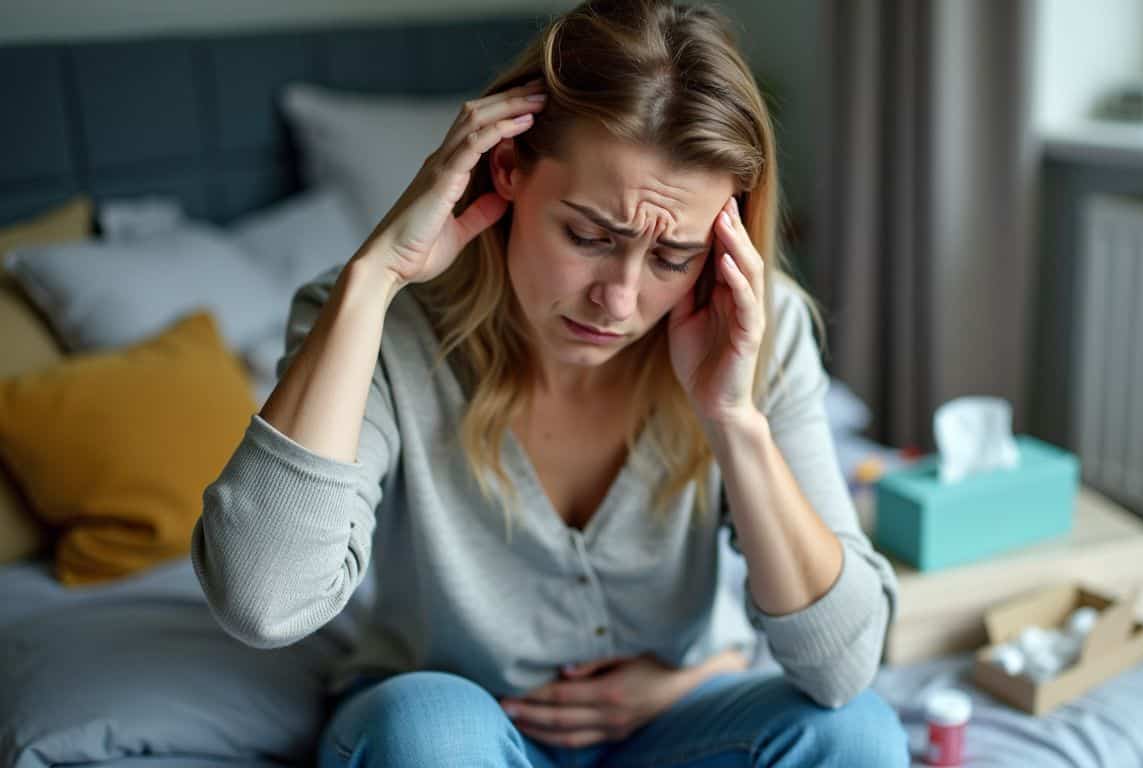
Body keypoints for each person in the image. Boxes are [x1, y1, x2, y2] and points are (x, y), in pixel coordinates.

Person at [191, 0, 906, 765]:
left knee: (855, 734)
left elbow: (841, 668)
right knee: (428, 732)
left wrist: (732, 417)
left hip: (671, 723)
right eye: (590, 236)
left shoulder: (757, 327)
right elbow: (265, 603)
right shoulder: (379, 326)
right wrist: (373, 280)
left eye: (673, 258)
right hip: (455, 733)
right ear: (507, 170)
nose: (620, 301)